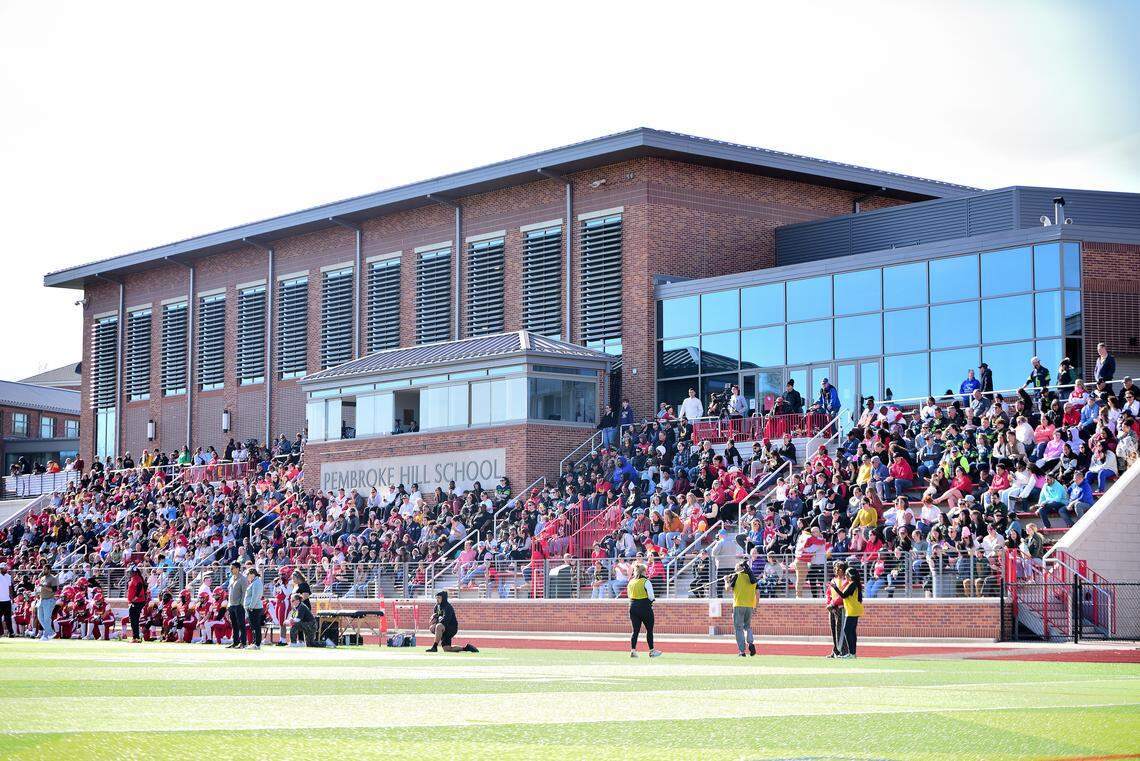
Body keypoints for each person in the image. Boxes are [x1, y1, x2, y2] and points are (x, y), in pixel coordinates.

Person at [627, 563, 661, 657]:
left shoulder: (631, 582)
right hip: (644, 607)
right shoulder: (646, 581)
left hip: (632, 606)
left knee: (635, 630)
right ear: (643, 571)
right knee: (649, 630)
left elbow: (629, 595)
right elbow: (651, 596)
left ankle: (633, 650)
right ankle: (652, 651)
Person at [725, 560, 757, 657]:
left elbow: (728, 589)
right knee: (747, 627)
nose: (734, 569)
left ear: (739, 568)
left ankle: (742, 651)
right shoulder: (752, 578)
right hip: (749, 606)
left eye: (735, 568)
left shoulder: (736, 576)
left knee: (738, 628)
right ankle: (750, 642)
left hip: (738, 605)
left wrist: (726, 580)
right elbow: (757, 592)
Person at [831, 566, 864, 658]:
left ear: (850, 575)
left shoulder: (853, 584)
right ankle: (852, 653)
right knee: (851, 631)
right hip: (852, 609)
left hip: (852, 610)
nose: (845, 576)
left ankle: (852, 653)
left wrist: (835, 587)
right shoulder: (852, 584)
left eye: (846, 575)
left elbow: (844, 595)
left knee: (847, 630)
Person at [824, 560, 847, 658]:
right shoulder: (833, 580)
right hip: (832, 609)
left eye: (837, 568)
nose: (835, 570)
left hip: (840, 608)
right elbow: (828, 593)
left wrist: (833, 604)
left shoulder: (846, 581)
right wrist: (829, 603)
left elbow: (843, 596)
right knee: (833, 630)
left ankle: (843, 651)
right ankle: (835, 651)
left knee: (840, 630)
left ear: (842, 570)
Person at [226, 562, 248, 649]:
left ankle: (243, 642)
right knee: (234, 625)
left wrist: (241, 604)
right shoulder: (231, 578)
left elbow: (244, 593)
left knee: (241, 625)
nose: (231, 570)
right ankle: (235, 642)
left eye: (232, 568)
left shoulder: (243, 579)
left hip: (239, 605)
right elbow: (230, 592)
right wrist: (228, 604)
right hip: (231, 605)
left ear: (238, 568)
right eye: (230, 568)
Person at [125, 565, 148, 643]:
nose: (129, 573)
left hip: (137, 602)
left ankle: (136, 637)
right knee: (134, 620)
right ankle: (136, 637)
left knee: (134, 620)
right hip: (137, 602)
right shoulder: (136, 578)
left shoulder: (136, 578)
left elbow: (139, 586)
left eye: (130, 572)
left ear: (134, 572)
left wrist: (135, 597)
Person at [244, 567, 265, 650]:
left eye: (248, 575)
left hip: (254, 608)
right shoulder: (254, 582)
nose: (247, 577)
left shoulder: (256, 582)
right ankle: (255, 642)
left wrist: (251, 606)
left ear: (252, 574)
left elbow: (255, 596)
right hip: (253, 608)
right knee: (253, 626)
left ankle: (257, 643)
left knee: (256, 626)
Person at [0, 562, 12, 637]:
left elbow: (10, 587)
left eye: (6, 568)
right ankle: (1, 632)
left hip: (7, 600)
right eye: (4, 568)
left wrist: (11, 596)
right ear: (1, 569)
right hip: (0, 600)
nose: (6, 569)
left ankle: (11, 632)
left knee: (8, 618)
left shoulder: (8, 576)